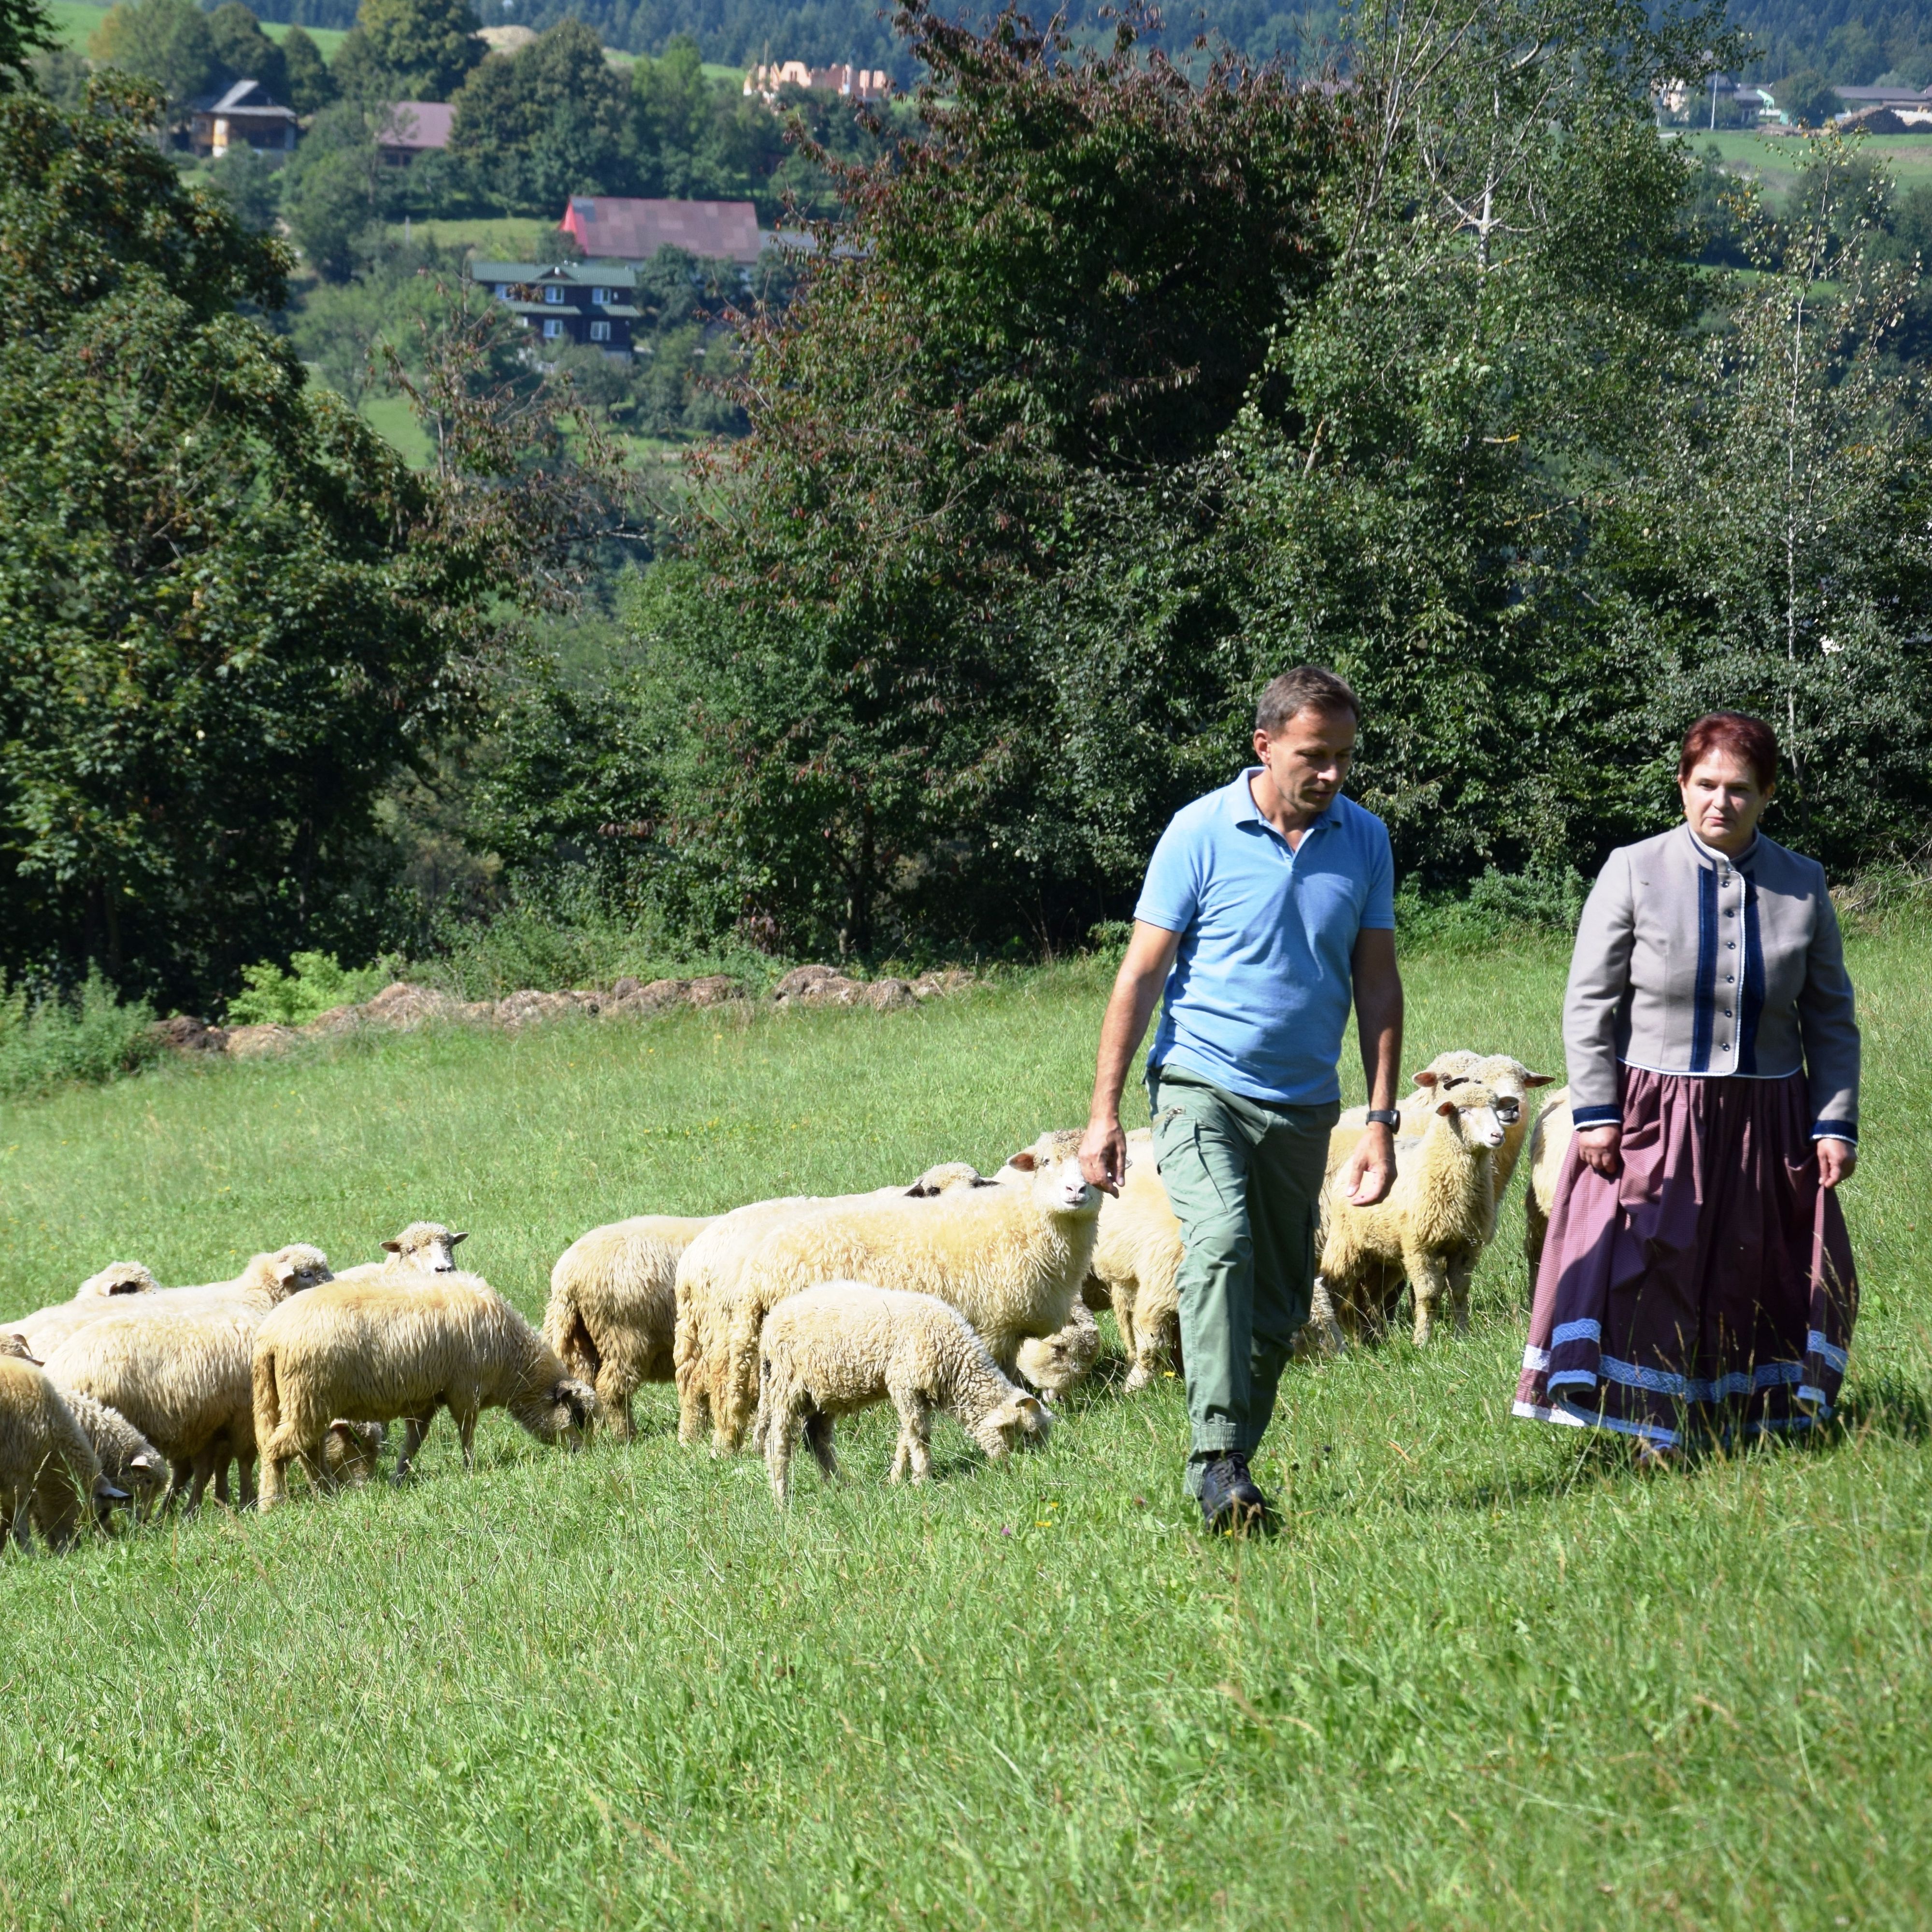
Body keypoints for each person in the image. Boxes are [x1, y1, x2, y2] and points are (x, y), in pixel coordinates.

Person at [1078, 667, 1405, 1532]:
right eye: (1313, 755)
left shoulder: (1364, 841)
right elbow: (1140, 974)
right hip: (1198, 1084)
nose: (1331, 773)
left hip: (1303, 1104)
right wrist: (1105, 1113)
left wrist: (1378, 1121)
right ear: (1264, 747)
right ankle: (1216, 1457)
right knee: (1219, 1242)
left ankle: (1234, 1471)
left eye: (1343, 756)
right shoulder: (1199, 832)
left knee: (1284, 1300)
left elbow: (1377, 986)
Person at [1516, 711, 1860, 1456]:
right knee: (1653, 1257)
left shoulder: (1803, 883)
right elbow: (1591, 1001)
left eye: (1739, 789)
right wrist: (1597, 1110)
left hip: (1767, 1115)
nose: (1720, 802)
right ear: (1681, 784)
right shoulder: (1633, 868)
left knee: (1753, 1262)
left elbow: (1830, 1016)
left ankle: (1738, 1414)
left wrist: (1833, 1122)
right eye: (1705, 784)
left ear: (1767, 794)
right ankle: (1651, 1425)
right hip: (1655, 1108)